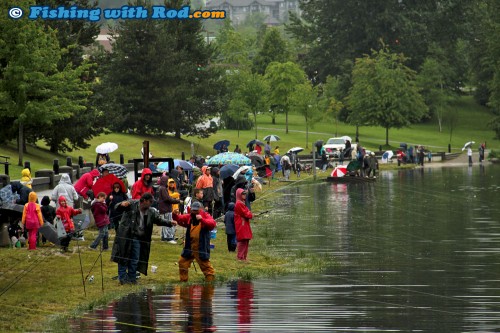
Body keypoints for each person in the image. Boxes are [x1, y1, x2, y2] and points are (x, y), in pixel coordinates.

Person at [111, 193, 177, 285]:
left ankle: (132, 278)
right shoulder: (131, 204)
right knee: (123, 257)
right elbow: (116, 207)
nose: (151, 204)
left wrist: (169, 223)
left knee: (135, 259)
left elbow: (158, 220)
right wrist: (121, 204)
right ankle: (122, 279)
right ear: (144, 200)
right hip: (126, 236)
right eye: (150, 202)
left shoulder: (151, 211)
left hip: (139, 238)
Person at [172, 201, 216, 282]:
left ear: (200, 210)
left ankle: (210, 283)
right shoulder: (189, 217)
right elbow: (179, 218)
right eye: (193, 210)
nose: (195, 212)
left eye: (196, 210)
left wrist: (202, 220)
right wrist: (174, 214)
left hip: (201, 246)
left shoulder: (205, 216)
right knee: (182, 262)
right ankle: (183, 281)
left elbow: (212, 224)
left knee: (206, 266)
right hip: (190, 246)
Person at [158, 175, 181, 244]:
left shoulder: (162, 188)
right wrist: (177, 201)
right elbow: (167, 199)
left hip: (164, 208)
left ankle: (164, 237)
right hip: (166, 209)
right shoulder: (163, 189)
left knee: (165, 223)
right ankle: (168, 238)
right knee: (167, 223)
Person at [234, 189, 253, 262]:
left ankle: (244, 257)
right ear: (239, 195)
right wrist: (251, 214)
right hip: (241, 224)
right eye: (243, 194)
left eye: (245, 194)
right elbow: (247, 214)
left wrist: (249, 214)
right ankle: (240, 257)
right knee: (242, 241)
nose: (244, 195)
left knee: (246, 240)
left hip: (244, 223)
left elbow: (247, 212)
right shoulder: (239, 203)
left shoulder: (242, 202)